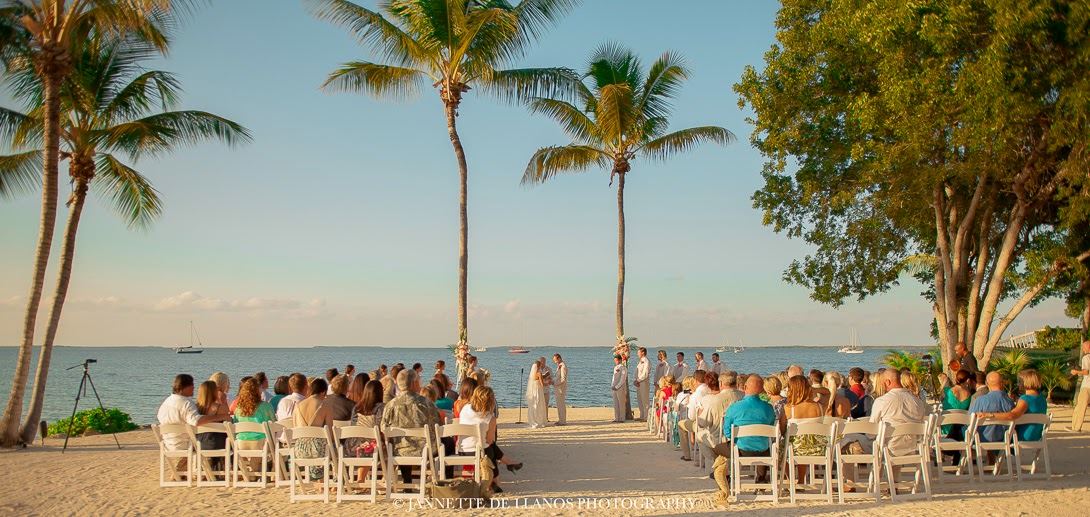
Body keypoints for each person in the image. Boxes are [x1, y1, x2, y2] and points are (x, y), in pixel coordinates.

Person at [156, 374, 232, 476]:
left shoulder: (166, 402)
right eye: (192, 385)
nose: (194, 388)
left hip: (168, 443)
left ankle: (181, 472)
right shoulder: (186, 403)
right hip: (185, 443)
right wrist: (221, 417)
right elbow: (196, 421)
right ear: (185, 387)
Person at [719, 375, 777, 499]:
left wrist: (736, 441)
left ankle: (725, 478)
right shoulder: (768, 408)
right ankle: (760, 483)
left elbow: (727, 432)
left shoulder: (735, 407)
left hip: (741, 451)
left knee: (717, 449)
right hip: (763, 451)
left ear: (745, 387)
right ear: (762, 390)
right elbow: (771, 428)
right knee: (763, 445)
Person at [381, 369, 442, 485]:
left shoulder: (390, 405)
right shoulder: (426, 403)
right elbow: (437, 425)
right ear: (414, 383)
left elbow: (383, 428)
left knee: (402, 443)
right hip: (424, 450)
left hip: (398, 450)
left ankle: (407, 482)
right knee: (445, 443)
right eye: (418, 381)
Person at [458, 386, 522, 494]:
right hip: (479, 453)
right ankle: (497, 478)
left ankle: (506, 466)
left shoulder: (465, 409)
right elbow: (490, 440)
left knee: (489, 449)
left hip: (462, 450)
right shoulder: (490, 418)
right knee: (490, 449)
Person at [869, 369, 930, 456]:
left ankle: (874, 469)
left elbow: (872, 431)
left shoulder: (882, 401)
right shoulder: (917, 401)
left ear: (887, 382)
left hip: (888, 449)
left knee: (857, 442)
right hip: (913, 447)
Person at [233, 377, 275, 480]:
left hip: (241, 443)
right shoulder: (265, 406)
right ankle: (268, 473)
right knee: (274, 443)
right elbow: (273, 425)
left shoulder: (238, 408)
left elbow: (235, 425)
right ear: (257, 390)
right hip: (259, 443)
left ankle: (252, 475)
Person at [293, 378, 330, 480]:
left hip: (299, 449)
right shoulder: (325, 405)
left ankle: (317, 479)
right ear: (323, 392)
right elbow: (330, 432)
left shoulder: (298, 405)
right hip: (317, 450)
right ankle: (331, 480)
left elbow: (295, 427)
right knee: (335, 449)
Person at [969, 372, 1016, 443]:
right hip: (1004, 440)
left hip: (981, 440)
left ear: (987, 383)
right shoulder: (1010, 402)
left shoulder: (980, 400)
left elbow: (970, 421)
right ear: (1002, 383)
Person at [940, 369, 974, 465]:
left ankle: (942, 453)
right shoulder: (969, 395)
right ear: (967, 380)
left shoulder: (947, 391)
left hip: (946, 426)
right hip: (960, 428)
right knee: (959, 424)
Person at [194, 380, 228, 472]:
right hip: (218, 444)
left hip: (199, 444)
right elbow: (229, 425)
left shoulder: (195, 408)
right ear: (213, 392)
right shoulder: (220, 408)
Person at [1071, 340, 1090, 432]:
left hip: (1086, 386)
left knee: (1080, 407)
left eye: (1083, 347)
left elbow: (1086, 372)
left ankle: (1076, 428)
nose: (1082, 349)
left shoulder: (1086, 358)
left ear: (1088, 347)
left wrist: (1076, 372)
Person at [526, 357, 547, 428]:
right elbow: (542, 384)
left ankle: (533, 420)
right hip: (538, 390)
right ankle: (539, 420)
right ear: (539, 366)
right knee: (539, 404)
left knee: (534, 404)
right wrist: (548, 382)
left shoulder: (533, 374)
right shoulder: (539, 373)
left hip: (533, 390)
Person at [635, 347, 651, 421]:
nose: (637, 354)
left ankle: (646, 416)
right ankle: (641, 415)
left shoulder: (646, 361)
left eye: (638, 352)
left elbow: (645, 373)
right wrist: (636, 380)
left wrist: (638, 380)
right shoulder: (640, 361)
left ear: (643, 353)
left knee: (645, 399)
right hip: (639, 382)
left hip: (643, 382)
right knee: (640, 399)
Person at [611, 355, 627, 423]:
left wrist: (617, 386)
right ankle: (616, 417)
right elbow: (613, 378)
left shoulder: (623, 368)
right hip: (614, 387)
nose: (615, 362)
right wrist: (612, 386)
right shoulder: (615, 367)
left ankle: (622, 418)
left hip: (620, 387)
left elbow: (623, 379)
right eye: (615, 360)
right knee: (616, 403)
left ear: (620, 360)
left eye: (616, 360)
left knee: (621, 403)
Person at [553, 354, 568, 425]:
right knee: (559, 405)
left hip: (560, 389)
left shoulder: (563, 367)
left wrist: (554, 383)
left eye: (555, 360)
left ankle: (562, 421)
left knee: (561, 404)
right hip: (557, 388)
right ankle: (560, 419)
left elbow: (563, 380)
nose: (555, 362)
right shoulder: (560, 366)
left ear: (559, 358)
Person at [538, 357, 553, 421]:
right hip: (539, 389)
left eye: (544, 361)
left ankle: (546, 418)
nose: (543, 363)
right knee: (539, 404)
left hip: (546, 389)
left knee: (546, 404)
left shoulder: (549, 369)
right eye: (541, 361)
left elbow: (551, 377)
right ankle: (540, 418)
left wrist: (548, 380)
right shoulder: (537, 370)